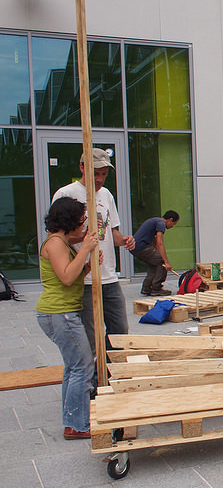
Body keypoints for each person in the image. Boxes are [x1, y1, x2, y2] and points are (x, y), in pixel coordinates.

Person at [52, 148, 136, 357]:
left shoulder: (106, 195)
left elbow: (111, 232)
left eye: (103, 175)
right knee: (90, 335)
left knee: (120, 330)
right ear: (82, 167)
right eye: (95, 173)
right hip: (85, 278)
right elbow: (56, 238)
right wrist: (83, 241)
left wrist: (124, 240)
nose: (99, 179)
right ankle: (91, 381)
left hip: (108, 276)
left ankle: (110, 372)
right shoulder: (66, 194)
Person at [36, 197, 100, 439]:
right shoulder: (55, 244)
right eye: (82, 221)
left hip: (61, 312)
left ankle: (73, 418)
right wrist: (85, 249)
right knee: (82, 366)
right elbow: (65, 277)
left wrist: (86, 266)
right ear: (69, 221)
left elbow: (71, 274)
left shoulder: (62, 242)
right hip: (59, 314)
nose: (83, 227)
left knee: (74, 366)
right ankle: (77, 425)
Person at [131, 211, 180, 296]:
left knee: (154, 263)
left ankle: (147, 288)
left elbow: (154, 239)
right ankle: (156, 288)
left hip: (135, 247)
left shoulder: (156, 221)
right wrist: (167, 262)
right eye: (173, 224)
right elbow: (160, 242)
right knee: (161, 261)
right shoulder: (161, 223)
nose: (172, 226)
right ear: (170, 220)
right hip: (141, 247)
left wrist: (154, 246)